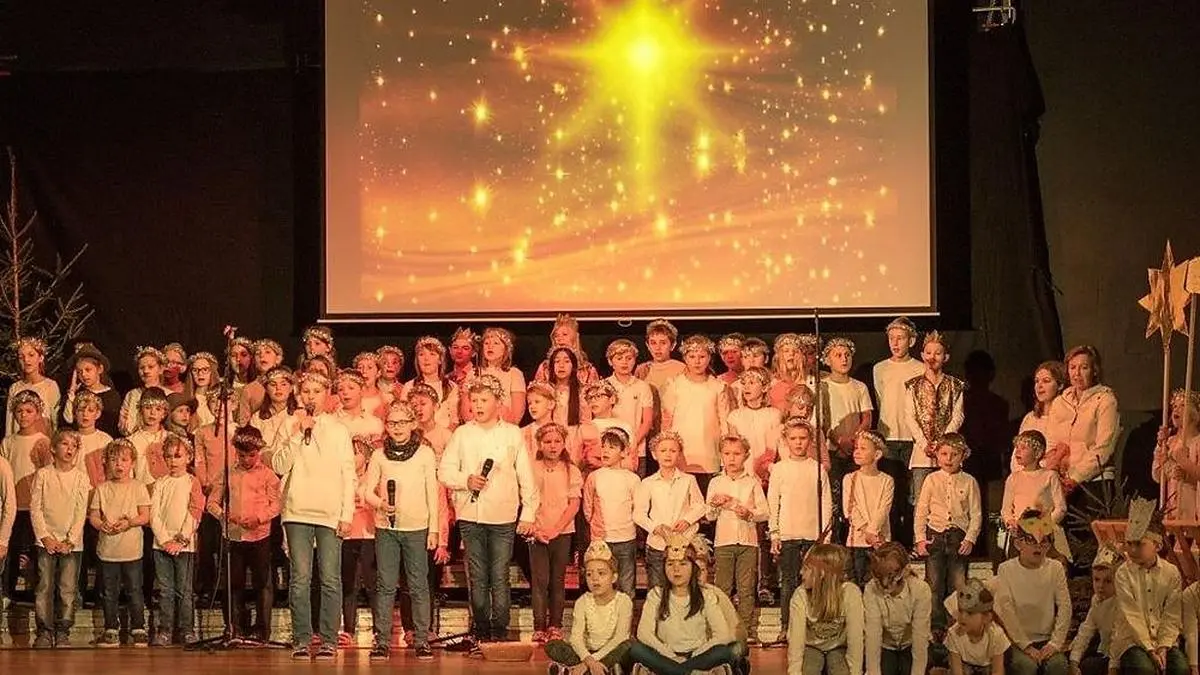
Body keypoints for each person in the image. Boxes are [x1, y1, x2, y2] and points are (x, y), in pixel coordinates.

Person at [438, 373, 540, 649]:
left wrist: (529, 513)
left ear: (498, 402)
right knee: (477, 574)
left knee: (499, 574)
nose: (478, 405)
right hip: (470, 515)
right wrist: (466, 480)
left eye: (484, 400)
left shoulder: (511, 434)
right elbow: (445, 470)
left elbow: (526, 476)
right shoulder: (462, 433)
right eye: (474, 400)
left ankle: (499, 628)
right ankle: (480, 628)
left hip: (503, 516)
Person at [269, 371, 356, 661]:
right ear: (298, 394)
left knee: (330, 578)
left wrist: (346, 512)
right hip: (296, 511)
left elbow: (348, 473)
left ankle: (329, 639)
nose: (310, 397)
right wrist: (297, 434)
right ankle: (302, 639)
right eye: (305, 391)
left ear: (327, 395)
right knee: (300, 578)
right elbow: (280, 465)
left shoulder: (339, 429)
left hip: (329, 512)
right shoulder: (290, 424)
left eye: (316, 391)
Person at [364, 400, 440, 661]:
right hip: (387, 528)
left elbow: (433, 493)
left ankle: (421, 639)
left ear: (413, 424)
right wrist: (381, 503)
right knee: (385, 585)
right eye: (392, 423)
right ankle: (382, 640)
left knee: (418, 585)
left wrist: (434, 530)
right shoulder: (378, 455)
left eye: (402, 422)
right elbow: (365, 490)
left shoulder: (425, 454)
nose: (397, 428)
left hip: (417, 527)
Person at [206, 426, 281, 641]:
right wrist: (224, 515)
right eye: (242, 455)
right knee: (232, 583)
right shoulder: (228, 473)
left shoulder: (268, 475)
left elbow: (277, 504)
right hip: (234, 535)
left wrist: (259, 517)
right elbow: (212, 502)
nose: (247, 460)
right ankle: (234, 627)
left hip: (260, 535)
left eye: (252, 455)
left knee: (263, 583)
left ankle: (263, 630)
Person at [628, 532, 740, 675]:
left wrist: (694, 655)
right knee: (636, 649)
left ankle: (671, 672)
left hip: (697, 655)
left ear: (693, 568)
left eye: (683, 564)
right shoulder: (656, 594)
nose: (676, 569)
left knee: (727, 651)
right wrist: (671, 656)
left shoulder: (706, 595)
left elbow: (722, 634)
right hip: (665, 655)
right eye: (670, 564)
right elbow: (644, 633)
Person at [769, 417, 834, 639]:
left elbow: (826, 501)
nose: (798, 443)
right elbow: (773, 502)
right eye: (794, 438)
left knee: (815, 582)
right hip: (788, 533)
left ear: (810, 441)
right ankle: (786, 626)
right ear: (786, 441)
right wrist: (774, 533)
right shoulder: (779, 469)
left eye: (803, 438)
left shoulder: (817, 469)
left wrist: (825, 535)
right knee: (788, 581)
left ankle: (813, 625)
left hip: (813, 535)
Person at [1109, 498, 1187, 675]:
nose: (1132, 550)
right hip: (1132, 641)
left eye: (1139, 544)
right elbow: (1132, 615)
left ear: (1157, 546)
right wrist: (1150, 650)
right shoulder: (1123, 573)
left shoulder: (1171, 573)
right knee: (1144, 669)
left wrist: (1163, 647)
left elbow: (1171, 615)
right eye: (1129, 544)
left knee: (1180, 668)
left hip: (1163, 641)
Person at [990, 509, 1071, 675]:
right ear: (1018, 543)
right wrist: (1025, 646)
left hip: (1047, 639)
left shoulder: (1055, 568)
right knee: (1026, 666)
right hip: (1017, 641)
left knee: (1058, 665)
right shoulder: (1006, 569)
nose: (1038, 547)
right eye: (1031, 541)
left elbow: (1065, 607)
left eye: (1044, 542)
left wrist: (1055, 643)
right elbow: (1006, 610)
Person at [914, 434, 981, 631]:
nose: (949, 459)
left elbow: (976, 514)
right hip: (935, 535)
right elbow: (921, 511)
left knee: (958, 583)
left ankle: (955, 623)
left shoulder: (969, 481)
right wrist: (920, 539)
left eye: (954, 454)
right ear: (937, 456)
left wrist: (970, 538)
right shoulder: (931, 480)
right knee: (933, 584)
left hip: (958, 537)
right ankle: (936, 625)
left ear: (963, 456)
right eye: (944, 454)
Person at [89, 438, 152, 648]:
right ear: (107, 463)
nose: (119, 465)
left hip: (132, 550)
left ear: (132, 463)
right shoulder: (102, 489)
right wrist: (101, 525)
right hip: (108, 551)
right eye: (114, 460)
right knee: (109, 592)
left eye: (124, 460)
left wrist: (129, 523)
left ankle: (138, 628)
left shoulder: (138, 487)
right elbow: (94, 516)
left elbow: (145, 515)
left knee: (135, 589)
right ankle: (111, 629)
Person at [30, 430, 89, 648]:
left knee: (67, 588)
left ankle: (63, 631)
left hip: (71, 545)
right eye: (64, 444)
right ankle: (44, 631)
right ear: (54, 448)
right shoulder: (43, 475)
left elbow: (80, 511)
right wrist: (45, 537)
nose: (69, 449)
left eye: (73, 445)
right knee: (44, 586)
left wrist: (70, 540)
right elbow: (36, 508)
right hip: (46, 542)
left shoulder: (81, 477)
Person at [706, 435, 768, 640]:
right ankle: (721, 630)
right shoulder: (716, 482)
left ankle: (745, 630)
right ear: (721, 456)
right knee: (722, 588)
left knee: (746, 588)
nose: (731, 458)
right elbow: (709, 515)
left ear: (746, 456)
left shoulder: (752, 482)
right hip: (724, 541)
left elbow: (764, 512)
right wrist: (714, 505)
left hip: (748, 542)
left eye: (736, 454)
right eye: (727, 454)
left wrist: (749, 513)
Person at [545, 541, 634, 675]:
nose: (595, 579)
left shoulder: (623, 601)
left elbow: (620, 638)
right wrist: (588, 660)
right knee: (552, 645)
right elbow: (576, 638)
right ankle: (601, 670)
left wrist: (591, 661)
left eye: (601, 573)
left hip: (610, 652)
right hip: (586, 653)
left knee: (629, 645)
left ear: (614, 577)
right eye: (589, 574)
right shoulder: (582, 601)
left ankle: (583, 669)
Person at [529, 422, 583, 643]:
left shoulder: (571, 470)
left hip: (562, 532)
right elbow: (527, 500)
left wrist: (556, 528)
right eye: (548, 442)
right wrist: (536, 528)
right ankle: (539, 625)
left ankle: (556, 625)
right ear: (540, 444)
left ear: (563, 443)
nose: (552, 446)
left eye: (557, 441)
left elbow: (574, 505)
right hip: (536, 531)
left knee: (557, 580)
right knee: (540, 580)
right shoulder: (531, 468)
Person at [634, 431, 706, 590]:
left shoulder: (688, 480)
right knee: (657, 589)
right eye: (663, 451)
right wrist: (655, 527)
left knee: (682, 588)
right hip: (658, 544)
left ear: (679, 454)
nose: (668, 455)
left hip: (683, 542)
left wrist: (687, 520)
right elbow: (639, 514)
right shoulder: (648, 483)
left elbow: (700, 505)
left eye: (673, 451)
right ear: (654, 454)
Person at [150, 433, 204, 646]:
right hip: (161, 545)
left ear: (188, 457)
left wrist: (180, 540)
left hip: (185, 547)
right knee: (165, 590)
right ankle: (164, 630)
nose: (173, 461)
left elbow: (195, 511)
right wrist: (164, 540)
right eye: (169, 456)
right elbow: (154, 513)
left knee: (184, 591)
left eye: (178, 456)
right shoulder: (160, 483)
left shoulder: (193, 482)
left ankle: (187, 630)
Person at [1044, 346, 1119, 497]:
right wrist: (1053, 471)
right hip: (1061, 482)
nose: (1077, 373)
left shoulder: (1105, 400)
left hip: (1095, 483)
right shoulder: (1060, 402)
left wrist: (1075, 477)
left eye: (1084, 367)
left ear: (1095, 370)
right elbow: (1051, 443)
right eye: (1072, 367)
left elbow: (1104, 448)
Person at [903, 331, 965, 510]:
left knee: (947, 501)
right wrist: (924, 443)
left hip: (948, 455)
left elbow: (957, 416)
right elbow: (910, 417)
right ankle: (920, 538)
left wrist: (941, 445)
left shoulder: (955, 385)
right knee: (921, 503)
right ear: (922, 355)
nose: (932, 357)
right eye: (928, 353)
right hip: (921, 455)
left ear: (945, 357)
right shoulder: (913, 386)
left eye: (937, 353)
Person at [663, 334, 731, 491]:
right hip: (682, 452)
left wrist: (725, 450)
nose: (697, 361)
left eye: (702, 356)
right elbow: (667, 419)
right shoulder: (675, 384)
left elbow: (724, 420)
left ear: (709, 358)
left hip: (709, 451)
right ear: (685, 358)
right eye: (692, 356)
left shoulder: (718, 386)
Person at [786, 543, 865, 675]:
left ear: (822, 573)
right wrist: (794, 671)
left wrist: (855, 671)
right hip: (811, 647)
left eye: (806, 569)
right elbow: (796, 640)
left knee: (840, 670)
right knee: (809, 669)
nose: (800, 573)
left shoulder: (850, 593)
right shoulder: (800, 595)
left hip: (838, 647)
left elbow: (855, 639)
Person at [2, 389, 52, 598]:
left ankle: (36, 592)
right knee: (11, 548)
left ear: (37, 413)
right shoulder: (8, 442)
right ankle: (8, 592)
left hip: (34, 505)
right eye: (20, 411)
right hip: (13, 506)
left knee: (34, 549)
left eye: (29, 411)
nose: (23, 415)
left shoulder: (43, 441)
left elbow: (48, 473)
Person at [583, 428, 642, 598]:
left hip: (625, 539)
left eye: (612, 447)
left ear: (624, 452)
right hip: (602, 539)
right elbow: (588, 508)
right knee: (600, 584)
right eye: (604, 447)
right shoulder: (595, 477)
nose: (606, 451)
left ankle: (625, 622)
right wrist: (596, 530)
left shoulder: (632, 479)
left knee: (626, 584)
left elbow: (637, 509)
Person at [863, 543, 932, 675]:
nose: (885, 585)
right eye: (879, 577)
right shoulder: (871, 589)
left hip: (911, 643)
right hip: (886, 645)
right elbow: (873, 634)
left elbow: (920, 637)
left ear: (905, 570)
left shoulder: (920, 590)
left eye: (891, 576)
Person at [1001, 432, 1068, 559]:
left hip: (1044, 533)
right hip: (1020, 533)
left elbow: (1061, 508)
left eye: (1024, 448)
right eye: (1017, 448)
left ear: (1037, 453)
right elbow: (1006, 509)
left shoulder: (1050, 476)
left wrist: (1043, 526)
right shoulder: (1013, 478)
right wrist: (1011, 522)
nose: (1018, 452)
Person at [338, 437, 377, 648]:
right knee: (349, 585)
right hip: (347, 535)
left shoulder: (373, 477)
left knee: (373, 585)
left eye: (356, 453)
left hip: (369, 534)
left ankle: (381, 630)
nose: (353, 458)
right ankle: (348, 630)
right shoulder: (341, 477)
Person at [844, 431, 894, 585]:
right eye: (856, 448)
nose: (857, 452)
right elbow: (850, 508)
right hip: (857, 541)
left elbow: (883, 508)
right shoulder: (850, 478)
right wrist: (867, 531)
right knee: (859, 584)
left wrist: (873, 533)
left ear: (877, 454)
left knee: (878, 584)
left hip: (880, 540)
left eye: (863, 448)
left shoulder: (887, 480)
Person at [604, 339, 654, 475]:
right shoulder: (604, 386)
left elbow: (647, 421)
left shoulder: (642, 387)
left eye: (629, 358)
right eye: (619, 358)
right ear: (610, 361)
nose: (624, 362)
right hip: (609, 449)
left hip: (635, 449)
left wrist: (631, 444)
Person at [1068, 545, 1121, 675]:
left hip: (1120, 655)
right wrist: (1073, 661)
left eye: (1108, 581)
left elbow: (1118, 638)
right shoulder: (1097, 600)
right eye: (1096, 580)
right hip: (1105, 651)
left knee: (1091, 666)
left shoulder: (1121, 603)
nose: (1100, 586)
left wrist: (1112, 668)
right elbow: (1086, 630)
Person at [943, 579, 1009, 675]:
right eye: (961, 611)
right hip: (965, 667)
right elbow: (957, 671)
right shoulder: (954, 634)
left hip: (987, 668)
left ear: (986, 617)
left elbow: (997, 671)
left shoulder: (996, 635)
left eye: (970, 613)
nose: (963, 617)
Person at [1152, 389, 1200, 520]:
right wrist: (1161, 445)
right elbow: (1157, 476)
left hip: (1193, 506)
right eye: (1174, 406)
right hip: (1172, 508)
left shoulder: (1198, 442)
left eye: (1182, 405)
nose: (1176, 409)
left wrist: (1185, 467)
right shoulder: (1170, 442)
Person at [1013, 363, 1067, 469]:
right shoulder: (1030, 418)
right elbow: (1017, 455)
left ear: (1060, 385)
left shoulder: (1066, 418)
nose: (1039, 386)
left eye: (1046, 381)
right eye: (1037, 381)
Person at [401, 336, 462, 429]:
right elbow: (403, 418)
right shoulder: (409, 386)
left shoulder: (451, 387)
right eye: (421, 354)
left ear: (440, 360)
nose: (426, 358)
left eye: (432, 354)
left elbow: (454, 421)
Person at [60, 346, 121, 437]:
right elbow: (68, 420)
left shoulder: (112, 396)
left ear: (100, 369)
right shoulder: (76, 395)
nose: (84, 375)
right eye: (79, 372)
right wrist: (72, 393)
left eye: (88, 370)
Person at [7, 336, 61, 436]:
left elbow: (55, 421)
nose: (26, 360)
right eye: (21, 357)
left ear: (40, 358)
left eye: (31, 355)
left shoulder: (50, 386)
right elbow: (10, 423)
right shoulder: (15, 388)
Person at [534, 313, 601, 384]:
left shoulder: (588, 370)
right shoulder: (545, 368)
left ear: (574, 338)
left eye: (564, 334)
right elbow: (536, 392)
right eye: (556, 336)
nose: (559, 339)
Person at [480, 327, 527, 425]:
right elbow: (467, 412)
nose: (490, 347)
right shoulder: (474, 373)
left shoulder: (514, 374)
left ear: (506, 349)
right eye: (486, 343)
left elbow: (517, 413)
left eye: (496, 343)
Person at [119, 346, 167, 436]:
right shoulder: (132, 395)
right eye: (142, 368)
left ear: (160, 369)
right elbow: (125, 426)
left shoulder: (168, 394)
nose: (146, 371)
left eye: (151, 367)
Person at [635, 318, 686, 392]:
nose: (657, 348)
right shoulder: (642, 369)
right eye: (653, 343)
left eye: (663, 343)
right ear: (647, 345)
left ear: (673, 345)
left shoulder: (681, 369)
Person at [334, 369, 385, 441]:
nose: (345, 392)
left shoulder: (375, 423)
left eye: (351, 388)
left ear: (362, 390)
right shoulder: (331, 421)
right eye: (340, 389)